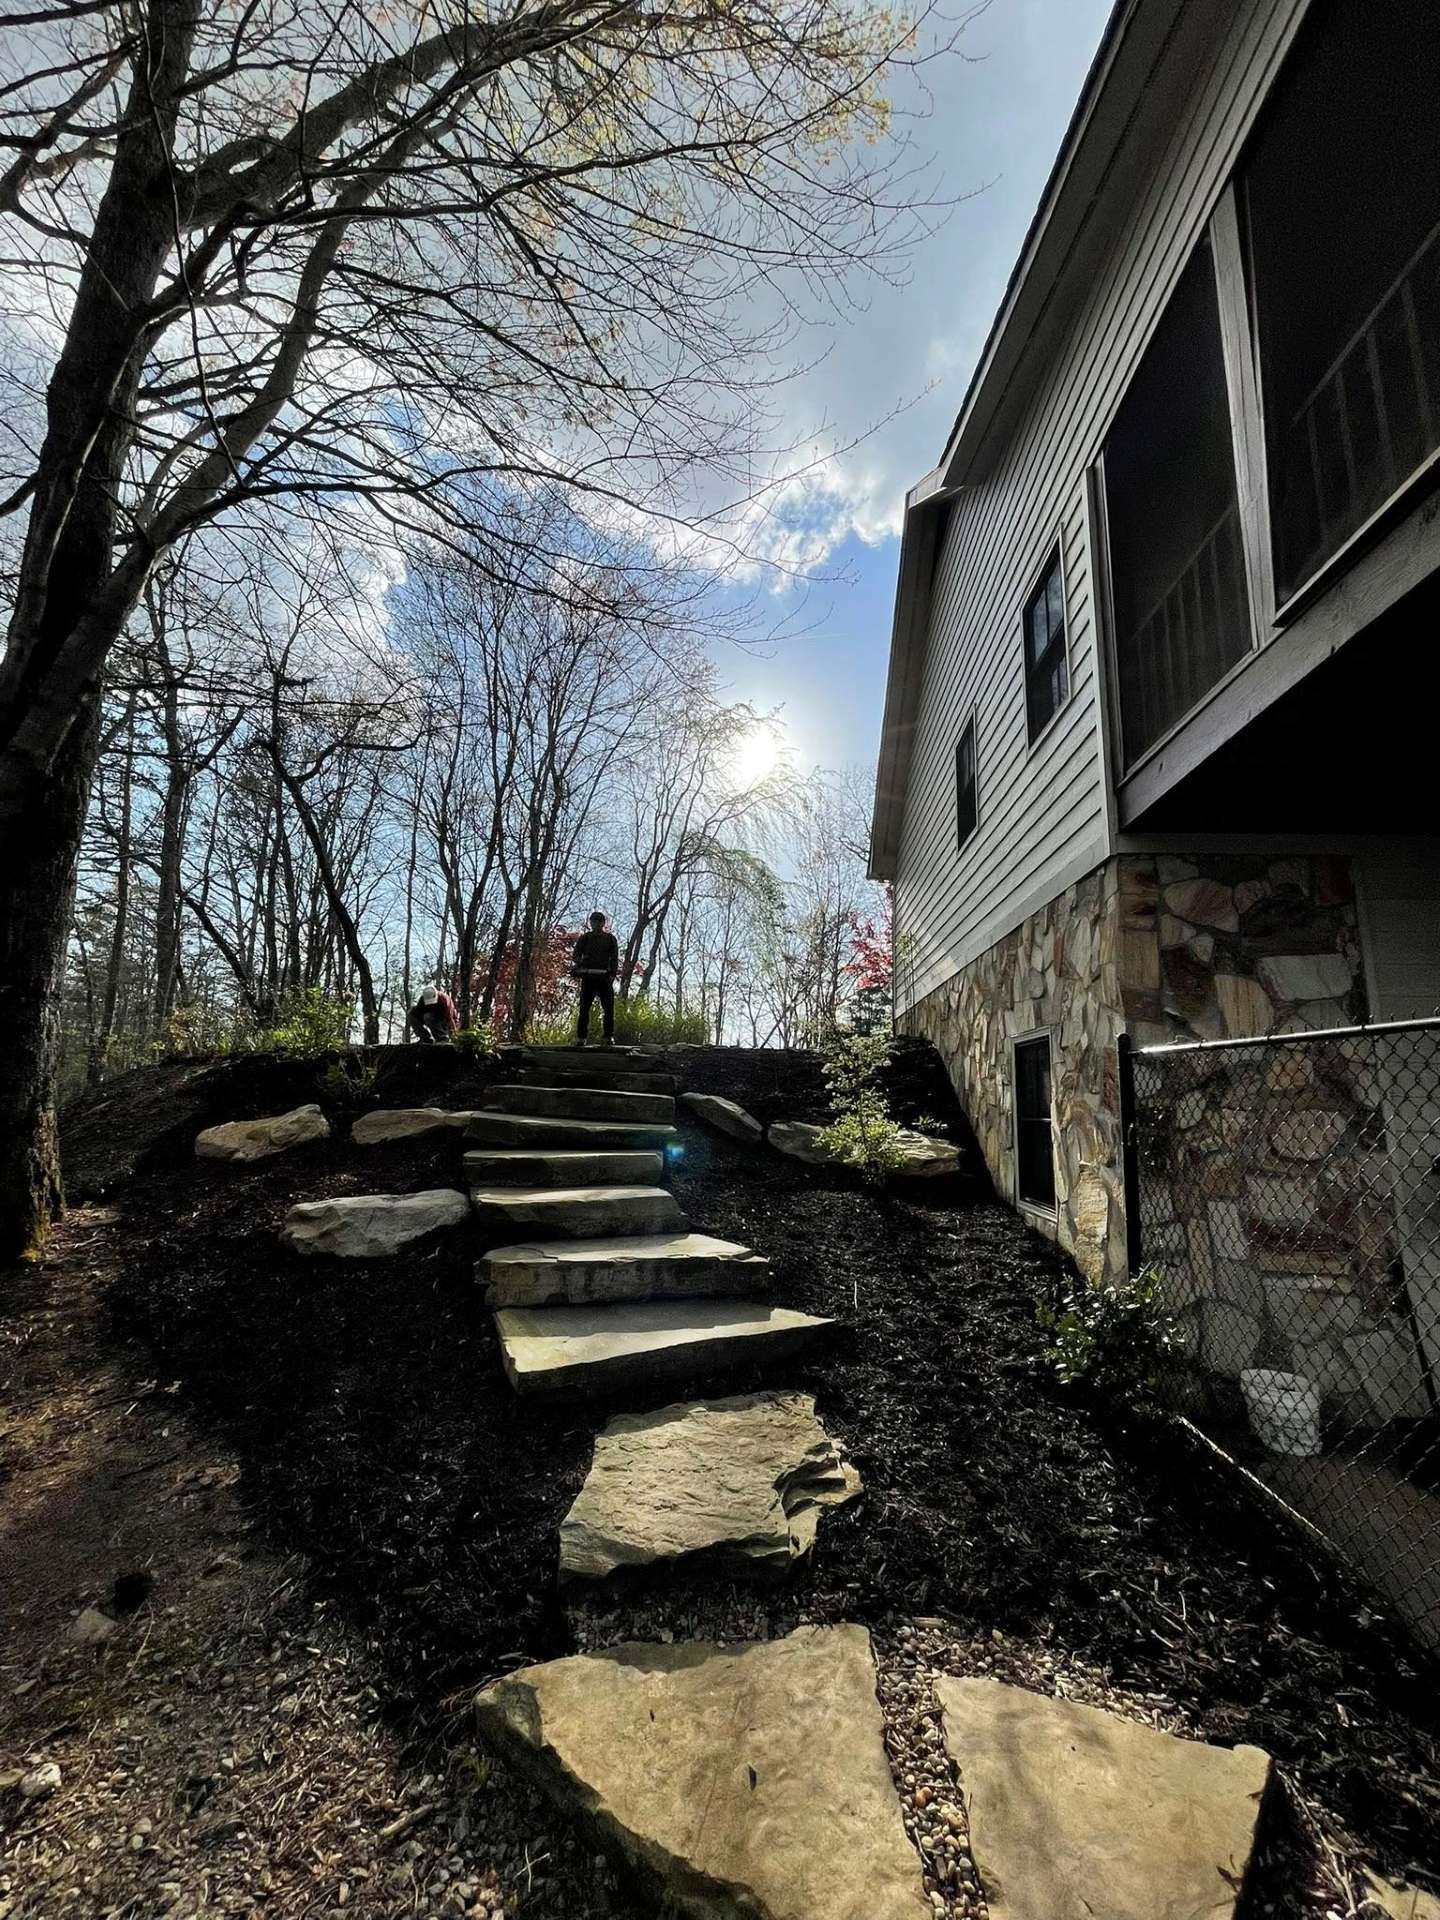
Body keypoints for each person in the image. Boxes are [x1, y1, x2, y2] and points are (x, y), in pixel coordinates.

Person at [571, 911, 620, 1046]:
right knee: (584, 1009)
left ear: (603, 923)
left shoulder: (610, 939)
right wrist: (581, 962)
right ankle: (581, 1038)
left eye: (599, 921)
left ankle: (608, 1037)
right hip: (588, 977)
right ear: (590, 923)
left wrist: (612, 975)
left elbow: (615, 959)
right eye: (593, 921)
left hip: (604, 977)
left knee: (609, 1009)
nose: (596, 924)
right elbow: (575, 955)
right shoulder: (585, 938)